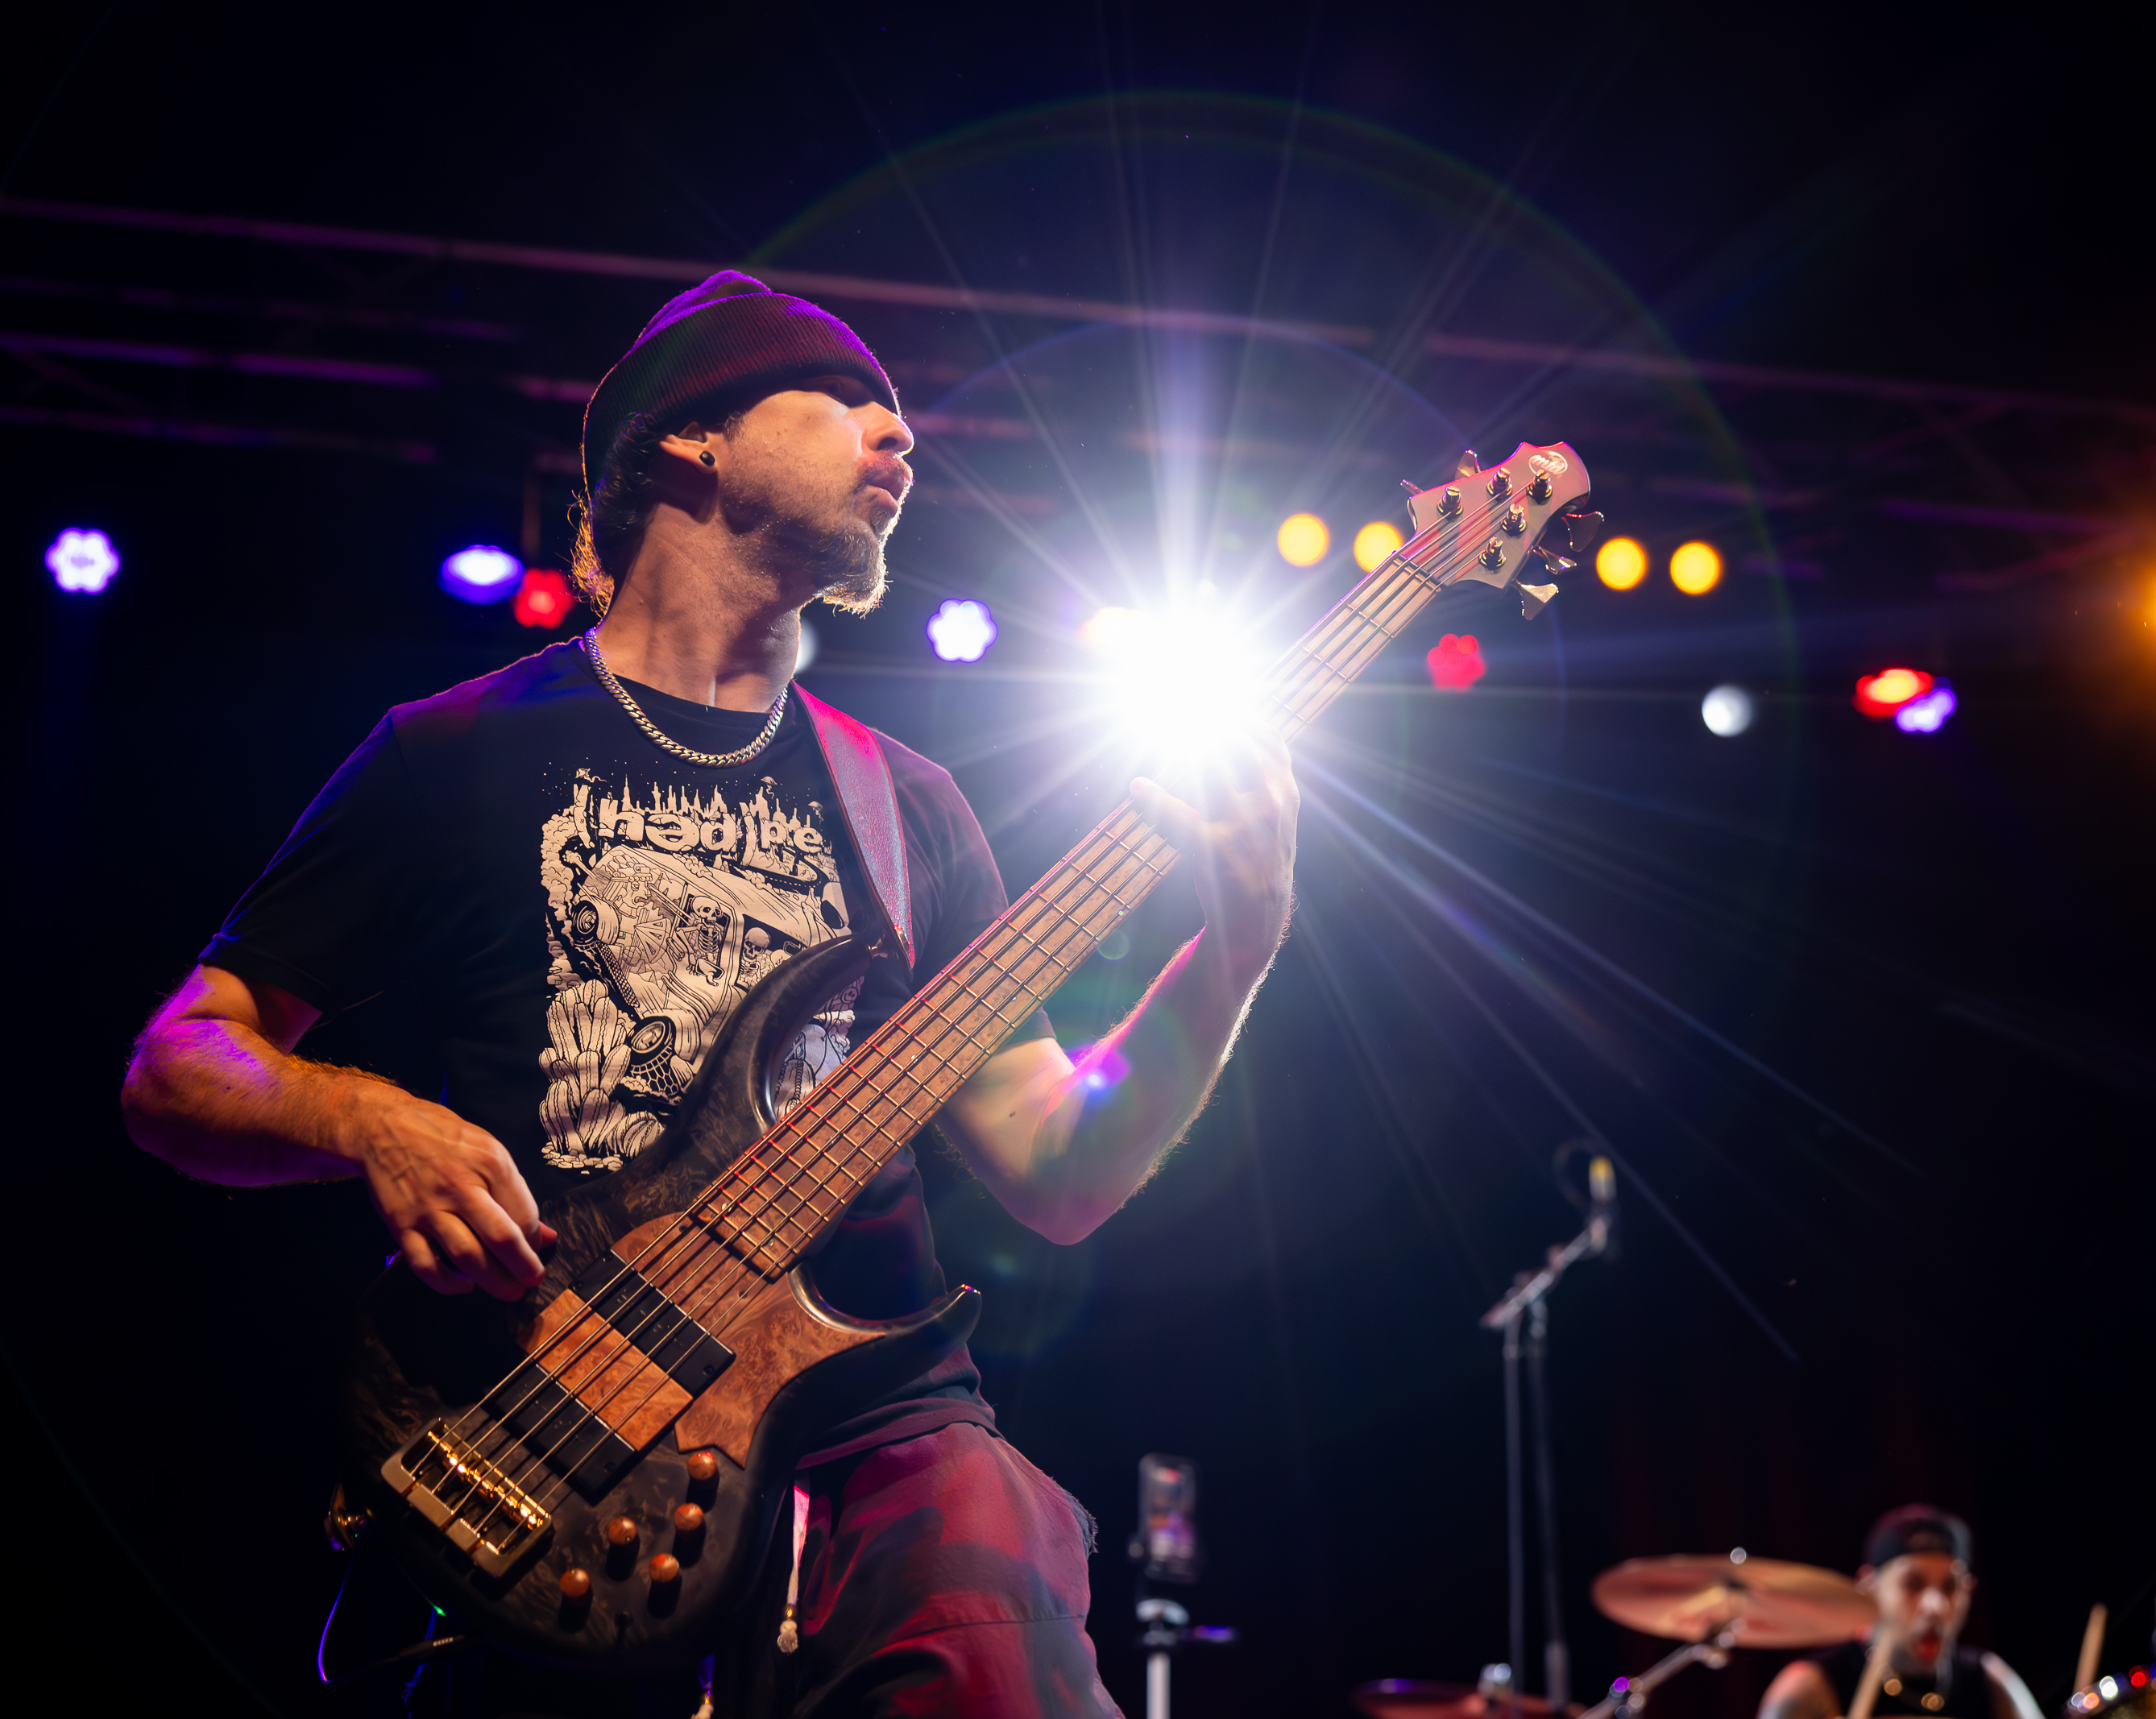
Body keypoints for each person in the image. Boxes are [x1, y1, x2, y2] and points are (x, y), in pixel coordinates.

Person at [120, 270, 1300, 1717]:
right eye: (846, 399)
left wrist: (1232, 948)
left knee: (996, 1630)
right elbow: (180, 1062)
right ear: (694, 438)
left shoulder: (907, 802)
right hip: (561, 1438)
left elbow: (1058, 1163)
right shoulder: (454, 753)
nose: (900, 434)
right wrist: (371, 1120)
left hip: (876, 1435)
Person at [1759, 1506, 2044, 1719]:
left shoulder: (1990, 1682)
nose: (1935, 1607)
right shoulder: (1811, 1688)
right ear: (1869, 1587)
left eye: (1950, 1587)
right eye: (1913, 1585)